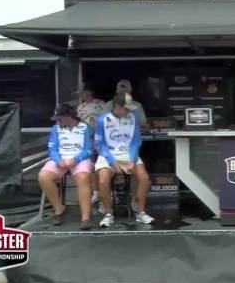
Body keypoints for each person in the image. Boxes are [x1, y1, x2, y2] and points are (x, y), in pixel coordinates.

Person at [95, 93, 154, 227]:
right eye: (126, 108)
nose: (129, 111)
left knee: (144, 178)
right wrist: (112, 161)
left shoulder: (133, 117)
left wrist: (132, 159)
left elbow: (136, 141)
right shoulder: (102, 119)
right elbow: (99, 144)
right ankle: (108, 214)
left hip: (128, 153)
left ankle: (140, 212)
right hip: (108, 154)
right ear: (117, 106)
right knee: (103, 180)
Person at [38, 104, 94, 230]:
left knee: (83, 177)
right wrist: (58, 160)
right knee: (43, 176)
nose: (58, 121)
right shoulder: (55, 128)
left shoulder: (85, 128)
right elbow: (52, 149)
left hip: (80, 159)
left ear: (68, 116)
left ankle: (86, 217)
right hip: (61, 159)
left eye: (59, 118)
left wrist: (76, 159)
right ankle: (59, 209)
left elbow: (89, 149)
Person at [76, 83, 105, 204]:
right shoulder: (80, 107)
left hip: (102, 139)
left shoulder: (101, 104)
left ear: (89, 92)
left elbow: (107, 120)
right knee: (92, 165)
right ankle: (96, 192)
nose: (81, 95)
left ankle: (108, 192)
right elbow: (80, 124)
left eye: (82, 93)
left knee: (104, 166)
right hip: (89, 139)